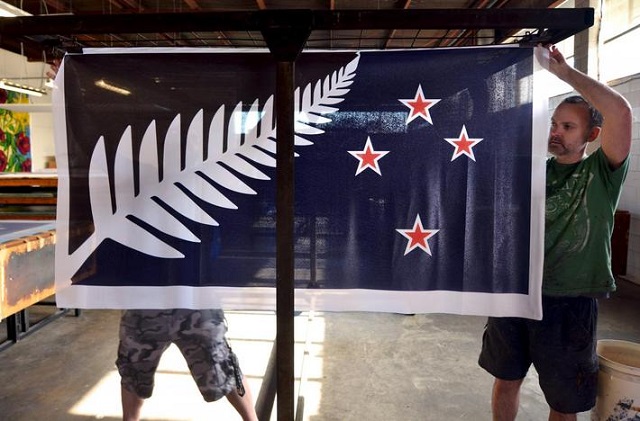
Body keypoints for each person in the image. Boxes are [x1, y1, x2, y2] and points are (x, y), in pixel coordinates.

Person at [47, 60, 258, 421]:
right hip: (152, 293)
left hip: (192, 293)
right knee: (135, 367)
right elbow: (87, 136)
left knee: (218, 363)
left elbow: (244, 137)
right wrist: (68, 87)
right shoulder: (136, 173)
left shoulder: (204, 177)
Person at [478, 44, 632, 421]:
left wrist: (564, 73)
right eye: (553, 123)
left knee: (564, 400)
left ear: (592, 134)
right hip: (515, 292)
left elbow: (621, 112)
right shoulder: (532, 170)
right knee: (506, 379)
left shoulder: (601, 173)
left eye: (568, 126)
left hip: (568, 302)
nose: (556, 132)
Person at [117, 309, 258, 421]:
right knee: (134, 371)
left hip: (195, 298)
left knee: (223, 366)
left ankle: (251, 419)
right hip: (145, 301)